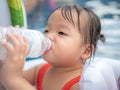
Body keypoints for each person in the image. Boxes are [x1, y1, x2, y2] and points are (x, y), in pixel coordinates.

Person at [0, 4, 104, 90]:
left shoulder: (79, 85)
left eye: (61, 33)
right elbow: (5, 84)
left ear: (86, 51)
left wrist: (15, 79)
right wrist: (5, 65)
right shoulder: (40, 70)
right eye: (46, 30)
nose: (48, 36)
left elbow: (13, 80)